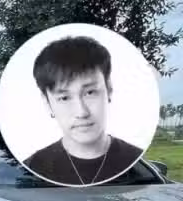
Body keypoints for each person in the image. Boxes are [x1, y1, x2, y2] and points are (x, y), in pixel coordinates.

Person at [24, 35, 143, 186]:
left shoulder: (136, 160)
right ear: (47, 103)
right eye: (64, 98)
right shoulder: (32, 168)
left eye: (90, 92)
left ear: (109, 89)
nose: (81, 112)